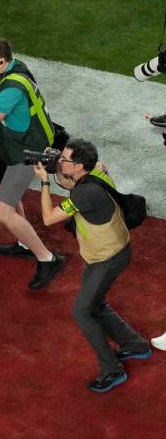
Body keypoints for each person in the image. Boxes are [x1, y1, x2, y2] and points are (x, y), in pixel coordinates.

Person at [34, 139, 151, 392]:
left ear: (78, 166)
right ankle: (135, 345)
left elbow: (48, 217)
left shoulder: (85, 193)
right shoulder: (96, 168)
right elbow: (73, 179)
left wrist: (44, 180)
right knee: (96, 304)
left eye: (65, 159)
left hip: (106, 259)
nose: (60, 161)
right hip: (113, 251)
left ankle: (112, 371)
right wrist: (58, 167)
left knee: (82, 312)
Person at [0, 37, 65, 289]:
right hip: (15, 145)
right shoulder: (16, 68)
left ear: (1, 61)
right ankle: (24, 243)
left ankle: (48, 259)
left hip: (25, 154)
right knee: (2, 188)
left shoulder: (12, 88)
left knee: (2, 211)